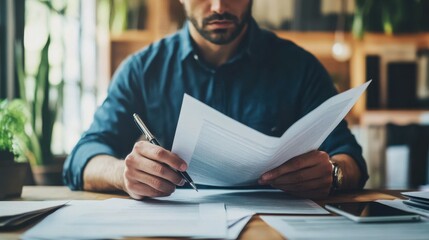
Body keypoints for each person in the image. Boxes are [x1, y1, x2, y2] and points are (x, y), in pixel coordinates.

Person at [63, 0, 368, 199]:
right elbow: (83, 156)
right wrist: (122, 173)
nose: (219, 6)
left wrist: (333, 172)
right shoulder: (142, 70)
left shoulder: (300, 68)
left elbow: (350, 157)